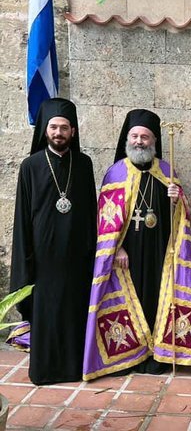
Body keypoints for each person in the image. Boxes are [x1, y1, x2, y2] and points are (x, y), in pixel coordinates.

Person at [83, 109, 191, 380]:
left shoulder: (167, 172)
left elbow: (182, 218)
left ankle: (158, 352)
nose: (140, 141)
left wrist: (176, 199)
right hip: (129, 254)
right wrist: (117, 249)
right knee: (129, 300)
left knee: (157, 300)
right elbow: (106, 221)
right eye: (135, 136)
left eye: (145, 137)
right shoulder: (115, 173)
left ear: (154, 141)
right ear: (127, 139)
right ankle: (131, 355)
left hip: (160, 251)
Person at [9, 98, 97, 385]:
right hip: (43, 258)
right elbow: (22, 217)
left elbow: (89, 211)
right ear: (45, 131)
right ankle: (45, 371)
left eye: (64, 128)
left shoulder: (84, 164)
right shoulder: (31, 166)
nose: (58, 133)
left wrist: (91, 253)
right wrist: (25, 262)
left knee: (74, 312)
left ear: (73, 131)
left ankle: (74, 368)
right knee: (46, 314)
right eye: (53, 127)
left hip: (76, 257)